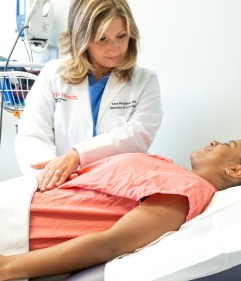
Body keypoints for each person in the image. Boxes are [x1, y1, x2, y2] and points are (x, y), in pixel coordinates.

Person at [0, 140, 241, 281]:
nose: (215, 141)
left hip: (9, 230)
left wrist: (4, 266)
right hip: (4, 200)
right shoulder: (170, 168)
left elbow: (113, 243)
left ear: (236, 171)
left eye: (228, 146)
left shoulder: (188, 191)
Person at [14, 0, 163, 192]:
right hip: (60, 186)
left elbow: (138, 134)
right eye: (102, 39)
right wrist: (51, 174)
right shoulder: (53, 74)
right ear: (81, 37)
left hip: (121, 185)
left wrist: (78, 155)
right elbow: (32, 133)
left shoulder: (145, 80)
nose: (115, 49)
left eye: (121, 36)